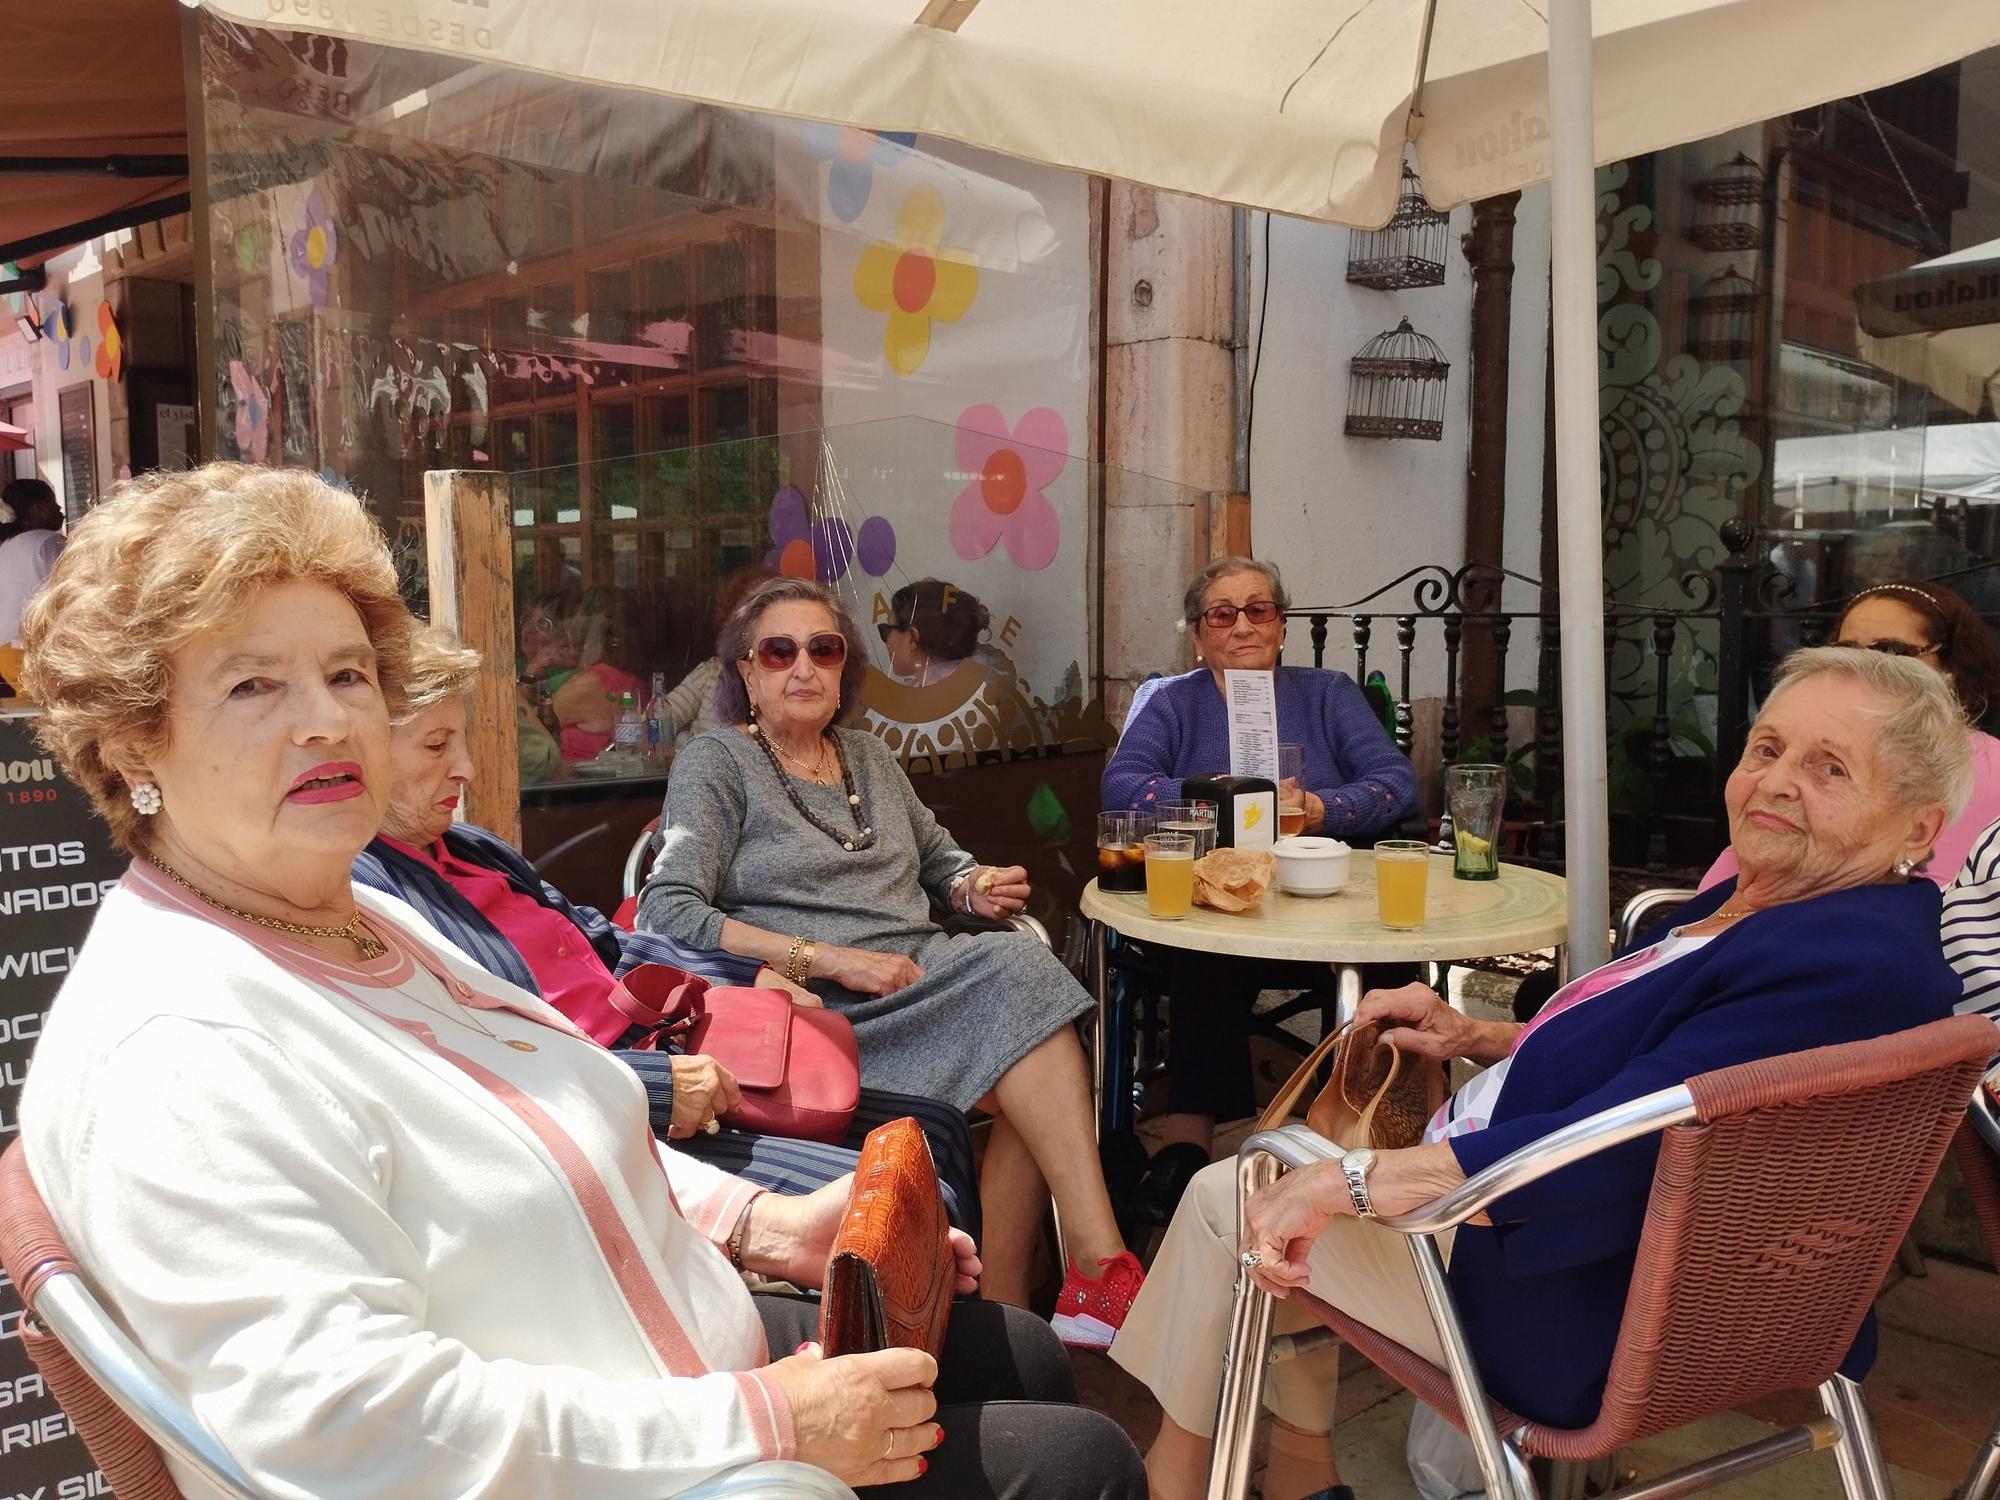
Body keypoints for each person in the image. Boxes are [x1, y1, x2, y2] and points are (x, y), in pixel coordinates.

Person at [17, 463, 1146, 1500]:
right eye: (254, 685)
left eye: (349, 673)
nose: (328, 718)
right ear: (130, 744)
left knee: (1026, 1350)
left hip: (657, 1351)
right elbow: (355, 1435)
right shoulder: (177, 1046)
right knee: (1081, 1462)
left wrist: (765, 1224)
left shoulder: (353, 919)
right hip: (635, 1457)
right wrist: (765, 1420)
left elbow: (550, 1110)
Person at [1112, 646, 1973, 1500]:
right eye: (1768, 749)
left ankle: (1174, 1478)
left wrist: (1364, 1181)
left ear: (1918, 826)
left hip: (1577, 1308)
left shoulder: (1842, 963)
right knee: (1289, 1204)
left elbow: (1641, 1134)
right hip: (1600, 1263)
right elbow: (1658, 1062)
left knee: (1239, 1198)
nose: (1778, 781)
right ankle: (1302, 1476)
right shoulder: (1788, 910)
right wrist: (1475, 1035)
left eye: (1830, 768)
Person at [639, 576, 1144, 1340]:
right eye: (778, 651)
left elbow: (940, 862)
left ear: (845, 667)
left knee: (1030, 1051)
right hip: (818, 1012)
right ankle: (1095, 1269)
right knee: (1026, 998)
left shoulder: (870, 757)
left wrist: (975, 884)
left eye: (823, 648)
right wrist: (830, 960)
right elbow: (667, 911)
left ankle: (1016, 1312)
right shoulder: (717, 763)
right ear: (745, 672)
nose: (802, 667)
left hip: (921, 976)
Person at [354, 623, 981, 1233]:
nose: (463, 766)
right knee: (917, 1196)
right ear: (362, 749)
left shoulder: (471, 849)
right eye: (437, 746)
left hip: (677, 1050)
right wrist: (652, 1086)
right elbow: (472, 1051)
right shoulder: (369, 889)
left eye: (459, 741)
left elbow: (606, 939)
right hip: (615, 1113)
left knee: (943, 1133)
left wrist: (750, 971)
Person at [1100, 555, 1420, 1195]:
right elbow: (1122, 785)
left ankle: (1373, 1126)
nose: (1243, 624)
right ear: (1200, 635)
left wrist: (1324, 807)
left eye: (1260, 609)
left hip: (1327, 898)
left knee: (1393, 944)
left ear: (1279, 626)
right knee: (1208, 939)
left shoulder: (1326, 694)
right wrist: (1214, 797)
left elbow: (1396, 785)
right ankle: (1190, 1138)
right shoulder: (1174, 704)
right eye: (1223, 613)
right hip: (1221, 898)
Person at [1700, 580, 2000, 892]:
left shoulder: (1990, 767)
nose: (1864, 666)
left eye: (1893, 651)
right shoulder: (1803, 734)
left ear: (1950, 668)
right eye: (1847, 650)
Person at [662, 564, 781, 743]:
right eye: (754, 613)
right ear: (733, 621)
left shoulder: (790, 678)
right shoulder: (711, 673)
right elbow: (659, 723)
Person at [880, 577, 1015, 686]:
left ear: (912, 640)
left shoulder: (936, 708)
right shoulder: (979, 687)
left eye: (887, 630)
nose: (885, 641)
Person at [0, 477, 64, 696]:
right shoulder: (48, 542)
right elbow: (72, 593)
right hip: (38, 648)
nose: (59, 508)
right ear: (37, 508)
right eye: (52, 502)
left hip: (7, 655)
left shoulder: (6, 547)